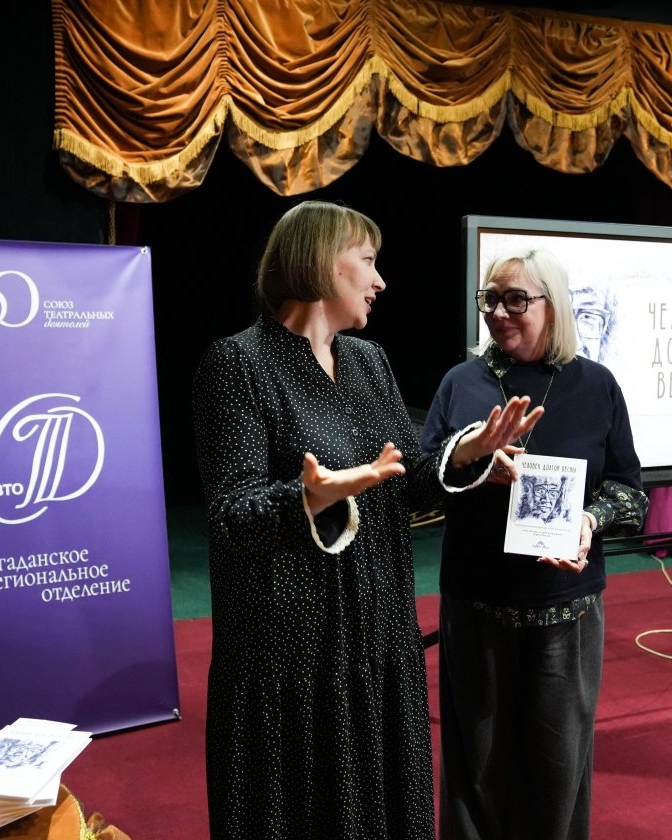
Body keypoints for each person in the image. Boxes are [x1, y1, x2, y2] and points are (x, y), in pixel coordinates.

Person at [192, 200, 543, 840]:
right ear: (323, 262)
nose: (380, 281)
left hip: (377, 634)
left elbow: (403, 478)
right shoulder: (238, 364)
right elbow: (232, 517)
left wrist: (467, 453)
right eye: (368, 261)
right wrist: (310, 497)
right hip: (291, 654)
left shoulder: (367, 361)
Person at [421, 247, 649, 840]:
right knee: (474, 769)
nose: (498, 312)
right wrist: (472, 461)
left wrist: (590, 521)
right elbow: (423, 481)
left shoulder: (596, 385)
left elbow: (630, 492)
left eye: (516, 299)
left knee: (558, 770)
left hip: (566, 609)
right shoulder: (461, 383)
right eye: (490, 299)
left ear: (553, 305)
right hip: (476, 602)